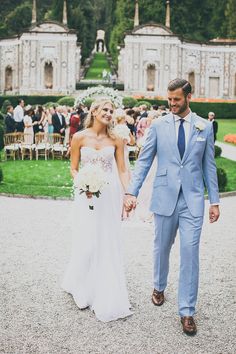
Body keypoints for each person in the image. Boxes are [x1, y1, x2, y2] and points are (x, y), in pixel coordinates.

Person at [124, 78, 220, 335]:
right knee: (161, 246)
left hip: (192, 200)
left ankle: (187, 311)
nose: (172, 104)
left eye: (176, 99)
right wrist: (131, 192)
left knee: (190, 253)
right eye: (169, 99)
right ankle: (159, 285)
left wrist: (215, 201)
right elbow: (144, 162)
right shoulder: (158, 125)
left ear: (189, 97)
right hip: (164, 196)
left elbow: (208, 166)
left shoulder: (204, 127)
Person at [61, 99, 132, 322]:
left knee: (107, 239)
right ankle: (83, 286)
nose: (109, 113)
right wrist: (83, 183)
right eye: (105, 110)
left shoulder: (117, 140)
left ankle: (105, 288)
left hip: (110, 195)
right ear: (94, 111)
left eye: (111, 110)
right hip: (86, 194)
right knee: (87, 239)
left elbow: (122, 170)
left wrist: (127, 194)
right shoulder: (79, 137)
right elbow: (73, 169)